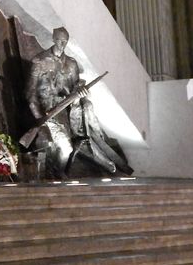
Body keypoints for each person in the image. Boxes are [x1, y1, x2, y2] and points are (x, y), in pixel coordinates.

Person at [24, 26, 131, 177]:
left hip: (69, 111)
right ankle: (58, 176)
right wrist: (39, 119)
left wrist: (81, 93)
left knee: (88, 115)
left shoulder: (71, 64)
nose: (62, 44)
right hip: (48, 114)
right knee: (66, 148)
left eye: (65, 41)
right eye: (59, 40)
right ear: (53, 39)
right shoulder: (39, 61)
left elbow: (76, 88)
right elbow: (30, 93)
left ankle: (104, 161)